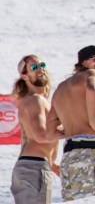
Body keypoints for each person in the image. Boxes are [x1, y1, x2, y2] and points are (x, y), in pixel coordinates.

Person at [50, 46, 95, 201]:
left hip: (69, 155)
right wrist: (93, 121)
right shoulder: (91, 74)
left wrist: (68, 128)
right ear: (83, 62)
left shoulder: (61, 88)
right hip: (89, 153)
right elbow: (91, 87)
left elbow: (49, 128)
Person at [10, 55, 61, 204]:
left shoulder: (36, 99)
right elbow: (40, 135)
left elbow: (29, 139)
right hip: (34, 167)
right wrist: (72, 129)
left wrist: (53, 166)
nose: (40, 69)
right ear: (24, 76)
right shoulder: (35, 100)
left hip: (33, 166)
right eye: (34, 67)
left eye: (42, 65)